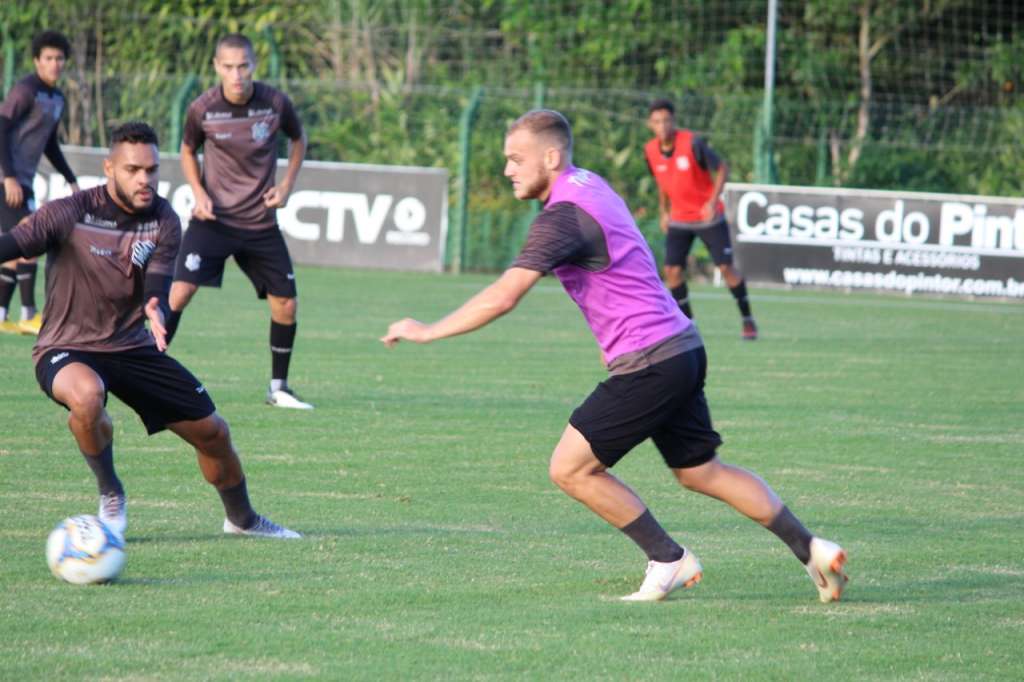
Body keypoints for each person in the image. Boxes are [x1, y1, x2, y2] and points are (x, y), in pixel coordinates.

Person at [382, 110, 847, 602]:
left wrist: (427, 331)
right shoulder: (590, 184)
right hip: (684, 347)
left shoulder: (562, 217)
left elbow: (504, 296)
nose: (508, 170)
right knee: (701, 471)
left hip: (649, 361)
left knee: (570, 468)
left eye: (516, 159)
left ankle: (668, 558)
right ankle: (812, 549)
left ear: (551, 156)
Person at [0, 121, 300, 540]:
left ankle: (243, 520)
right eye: (133, 169)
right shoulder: (70, 211)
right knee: (87, 398)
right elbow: (11, 245)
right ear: (109, 168)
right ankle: (111, 494)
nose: (145, 179)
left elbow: (157, 283)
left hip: (131, 347)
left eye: (152, 169)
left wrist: (155, 306)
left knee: (214, 433)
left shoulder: (163, 218)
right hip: (67, 347)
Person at [164, 33, 312, 409]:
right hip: (213, 221)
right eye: (228, 67)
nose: (236, 74)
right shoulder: (202, 108)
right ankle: (148, 374)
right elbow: (186, 149)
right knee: (178, 293)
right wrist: (198, 192)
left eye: (243, 65)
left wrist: (287, 185)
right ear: (216, 67)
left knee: (287, 304)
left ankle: (278, 387)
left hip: (260, 223)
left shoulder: (275, 102)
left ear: (254, 65)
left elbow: (298, 139)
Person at [644, 99, 757, 340]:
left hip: (707, 217)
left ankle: (747, 319)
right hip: (679, 218)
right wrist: (664, 211)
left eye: (666, 120)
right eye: (657, 122)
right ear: (650, 125)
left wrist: (712, 200)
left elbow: (722, 168)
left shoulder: (691, 143)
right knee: (672, 271)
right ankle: (687, 325)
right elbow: (662, 182)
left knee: (726, 268)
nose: (662, 125)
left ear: (673, 121)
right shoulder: (650, 151)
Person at [0, 30, 79, 335]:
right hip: (7, 180)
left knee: (16, 245)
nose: (55, 64)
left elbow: (50, 144)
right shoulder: (25, 90)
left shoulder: (56, 98)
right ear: (37, 61)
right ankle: (30, 313)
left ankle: (3, 314)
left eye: (59, 58)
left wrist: (71, 179)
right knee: (31, 239)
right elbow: (2, 128)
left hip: (24, 181)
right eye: (48, 58)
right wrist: (8, 176)